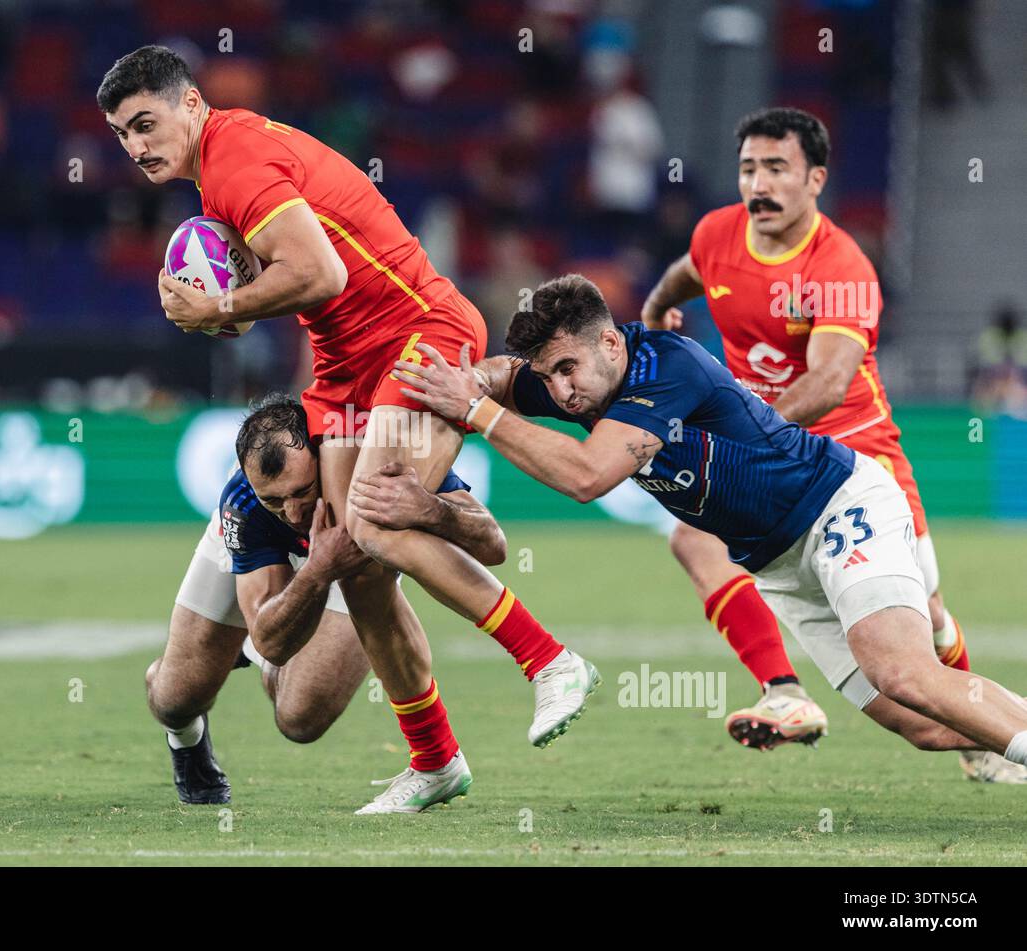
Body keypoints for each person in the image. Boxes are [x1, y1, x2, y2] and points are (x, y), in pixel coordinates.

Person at [99, 46, 599, 811]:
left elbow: (323, 274)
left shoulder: (234, 162)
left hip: (414, 332)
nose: (135, 146)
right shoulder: (222, 172)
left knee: (369, 516)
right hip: (342, 368)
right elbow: (305, 281)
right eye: (123, 135)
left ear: (191, 104)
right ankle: (434, 760)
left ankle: (548, 660)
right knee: (358, 554)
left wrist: (223, 308)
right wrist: (244, 301)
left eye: (145, 123)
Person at [396, 274, 1027, 781]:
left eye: (567, 368)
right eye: (548, 375)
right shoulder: (574, 381)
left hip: (837, 506)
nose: (560, 391)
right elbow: (508, 376)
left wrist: (475, 410)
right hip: (779, 565)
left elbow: (587, 477)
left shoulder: (666, 366)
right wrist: (473, 380)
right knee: (921, 725)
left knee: (904, 673)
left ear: (611, 343)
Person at [636, 107, 1020, 781]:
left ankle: (977, 731)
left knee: (925, 620)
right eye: (749, 167)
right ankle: (783, 690)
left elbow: (831, 378)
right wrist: (653, 311)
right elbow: (687, 274)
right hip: (768, 459)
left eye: (777, 168)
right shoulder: (717, 234)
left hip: (858, 458)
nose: (760, 183)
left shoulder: (840, 265)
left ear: (814, 179)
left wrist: (746, 434)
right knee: (690, 535)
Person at [150, 396, 505, 811]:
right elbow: (273, 642)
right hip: (302, 561)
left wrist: (432, 510)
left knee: (299, 719)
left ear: (325, 452)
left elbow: (493, 544)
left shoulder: (371, 459)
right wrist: (317, 570)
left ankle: (250, 650)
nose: (294, 512)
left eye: (303, 491)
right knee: (175, 699)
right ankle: (186, 739)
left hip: (351, 561)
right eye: (275, 501)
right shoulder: (245, 505)